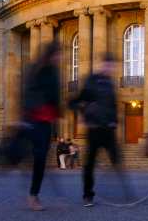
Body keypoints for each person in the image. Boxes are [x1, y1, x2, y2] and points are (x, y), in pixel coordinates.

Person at [69, 53, 130, 207]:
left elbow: (114, 106)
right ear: (104, 65)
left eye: (113, 67)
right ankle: (88, 196)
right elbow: (75, 102)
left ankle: (128, 194)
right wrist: (84, 115)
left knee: (117, 161)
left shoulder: (110, 84)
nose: (111, 69)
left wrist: (114, 122)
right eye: (110, 66)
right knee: (89, 164)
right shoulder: (91, 81)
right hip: (94, 129)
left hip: (108, 130)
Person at [13, 41, 61, 211]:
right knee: (27, 154)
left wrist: (57, 115)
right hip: (32, 119)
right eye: (57, 55)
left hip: (46, 122)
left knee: (40, 159)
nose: (59, 58)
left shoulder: (54, 73)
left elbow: (56, 97)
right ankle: (32, 191)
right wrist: (22, 116)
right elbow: (26, 93)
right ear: (50, 55)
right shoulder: (35, 69)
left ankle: (33, 194)